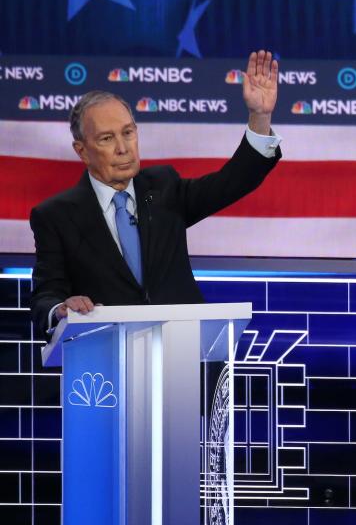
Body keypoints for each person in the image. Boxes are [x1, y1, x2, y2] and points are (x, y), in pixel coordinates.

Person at [29, 50, 281, 338]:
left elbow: (234, 181)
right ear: (82, 151)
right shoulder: (56, 216)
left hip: (181, 351)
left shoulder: (164, 188)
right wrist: (61, 308)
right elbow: (44, 298)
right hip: (104, 363)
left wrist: (259, 117)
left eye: (128, 133)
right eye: (107, 138)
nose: (123, 148)